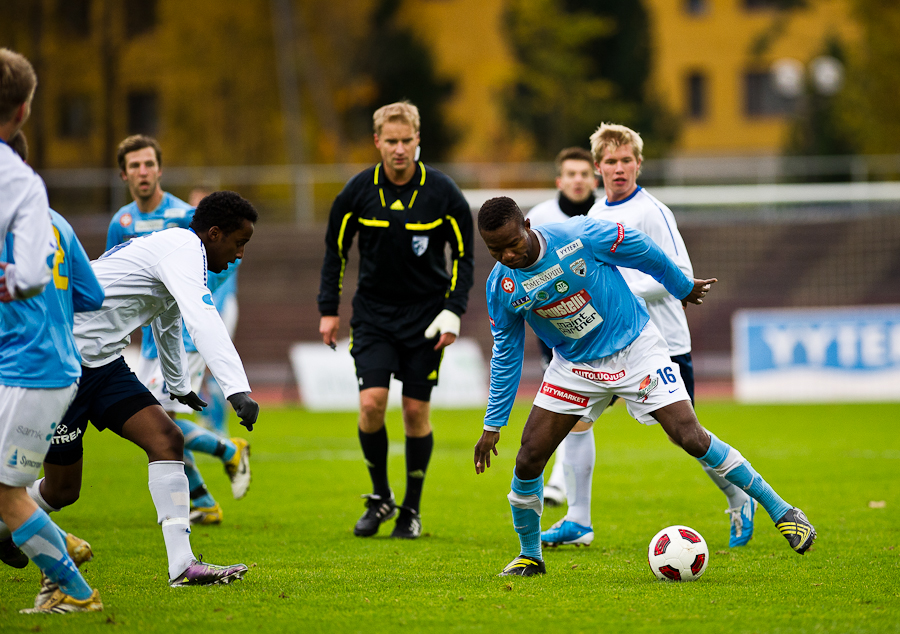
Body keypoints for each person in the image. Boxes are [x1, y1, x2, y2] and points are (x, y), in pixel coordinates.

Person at [473, 196, 816, 577]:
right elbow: (506, 354)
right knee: (528, 457)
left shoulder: (579, 235)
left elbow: (641, 249)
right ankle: (530, 556)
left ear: (527, 224)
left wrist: (681, 285)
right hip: (574, 366)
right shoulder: (500, 286)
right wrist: (492, 424)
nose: (506, 255)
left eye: (512, 243)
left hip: (634, 347)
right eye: (494, 250)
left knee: (690, 436)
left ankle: (782, 510)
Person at [541, 124, 757, 550]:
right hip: (605, 347)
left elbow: (680, 273)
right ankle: (579, 521)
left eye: (626, 161)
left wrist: (621, 292)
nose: (618, 169)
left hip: (660, 344)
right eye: (610, 162)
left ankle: (738, 495)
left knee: (688, 436)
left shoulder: (653, 212)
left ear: (638, 164)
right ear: (598, 167)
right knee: (577, 424)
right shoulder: (594, 217)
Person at [32, 191, 260, 588]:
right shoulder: (183, 249)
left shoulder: (179, 251)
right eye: (239, 243)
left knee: (167, 439)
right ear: (214, 233)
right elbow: (201, 317)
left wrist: (180, 386)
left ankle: (183, 566)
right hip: (63, 360)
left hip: (103, 364)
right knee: (62, 489)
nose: (240, 256)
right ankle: (10, 524)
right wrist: (237, 389)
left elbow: (167, 321)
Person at [318, 101, 474, 539]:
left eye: (407, 141)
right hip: (372, 315)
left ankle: (411, 510)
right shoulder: (357, 192)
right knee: (371, 405)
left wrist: (453, 310)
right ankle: (382, 495)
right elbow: (336, 251)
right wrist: (328, 309)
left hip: (425, 318)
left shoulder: (443, 193)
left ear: (418, 140)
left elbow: (464, 257)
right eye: (391, 141)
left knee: (414, 413)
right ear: (377, 142)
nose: (400, 149)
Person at [0, 49, 104, 614]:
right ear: (23, 113)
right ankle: (64, 554)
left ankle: (69, 579)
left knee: (6, 492)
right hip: (50, 359)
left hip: (28, 364)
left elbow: (32, 276)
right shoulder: (43, 205)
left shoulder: (19, 188)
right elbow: (91, 296)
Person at [107, 136, 250, 526]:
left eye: (148, 164)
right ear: (124, 174)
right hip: (152, 331)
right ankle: (216, 473)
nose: (142, 172)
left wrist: (195, 305)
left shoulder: (190, 218)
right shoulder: (121, 222)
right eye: (134, 166)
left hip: (188, 328)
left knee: (158, 419)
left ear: (159, 169)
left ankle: (217, 466)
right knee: (159, 420)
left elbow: (214, 274)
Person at [525, 147, 599, 508]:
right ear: (560, 180)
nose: (578, 179)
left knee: (579, 410)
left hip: (605, 329)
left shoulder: (604, 216)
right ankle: (562, 491)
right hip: (558, 327)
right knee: (575, 409)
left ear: (593, 178)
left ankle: (561, 489)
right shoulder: (539, 216)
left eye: (584, 173)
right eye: (571, 173)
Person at [189, 185, 236, 438]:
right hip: (196, 307)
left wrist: (209, 307)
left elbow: (226, 275)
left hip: (220, 306)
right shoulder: (187, 235)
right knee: (198, 368)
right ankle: (205, 418)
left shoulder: (224, 236)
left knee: (215, 365)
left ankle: (220, 428)